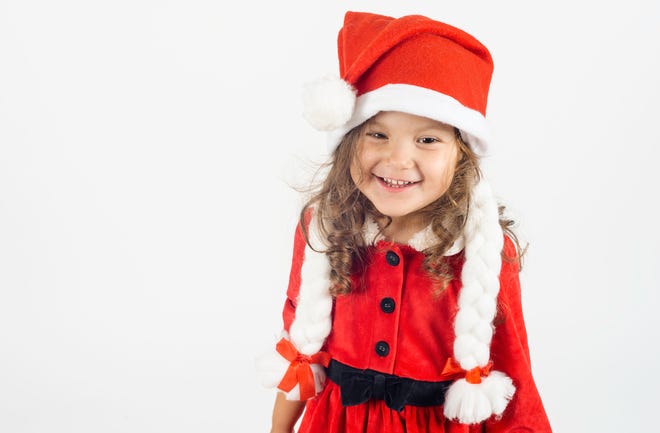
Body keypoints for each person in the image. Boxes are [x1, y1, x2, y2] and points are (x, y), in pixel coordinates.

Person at [256, 10, 552, 433]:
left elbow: (514, 382)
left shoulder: (483, 252)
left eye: (427, 139)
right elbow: (300, 354)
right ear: (348, 142)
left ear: (461, 156)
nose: (398, 160)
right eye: (377, 134)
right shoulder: (323, 229)